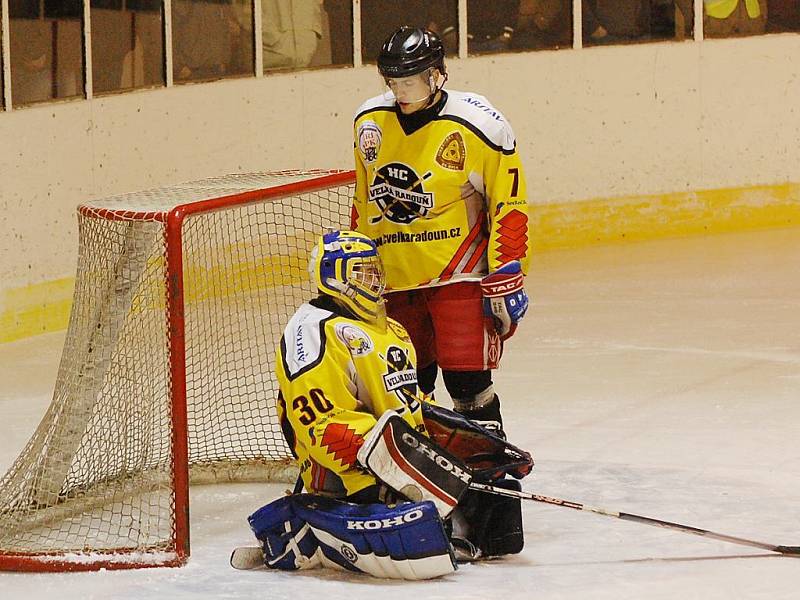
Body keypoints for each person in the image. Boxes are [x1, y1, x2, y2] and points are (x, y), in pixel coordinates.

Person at [240, 230, 530, 579]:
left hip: (400, 460)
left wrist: (457, 443)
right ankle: (312, 531)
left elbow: (409, 404)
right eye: (362, 272)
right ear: (333, 277)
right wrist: (392, 459)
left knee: (499, 501)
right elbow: (320, 422)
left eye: (376, 270)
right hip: (346, 472)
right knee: (421, 535)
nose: (374, 280)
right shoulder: (313, 331)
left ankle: (457, 526)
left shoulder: (393, 329)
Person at [350, 27, 530, 436]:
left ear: (436, 74)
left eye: (410, 79)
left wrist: (507, 275)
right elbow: (363, 204)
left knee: (469, 388)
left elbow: (509, 203)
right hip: (394, 281)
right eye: (393, 80)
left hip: (460, 279)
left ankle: (490, 486)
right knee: (406, 391)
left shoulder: (478, 124)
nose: (401, 90)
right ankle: (423, 482)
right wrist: (361, 268)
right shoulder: (369, 123)